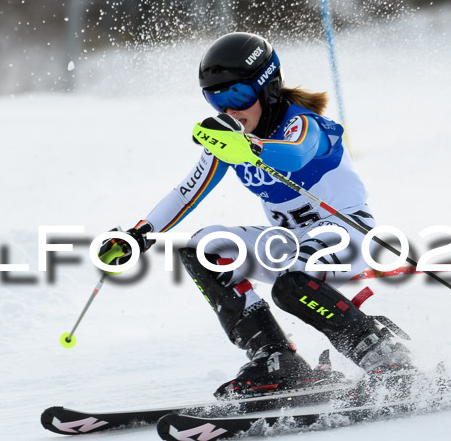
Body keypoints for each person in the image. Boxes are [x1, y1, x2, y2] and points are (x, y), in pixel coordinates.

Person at [99, 32, 413, 398]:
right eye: (216, 99)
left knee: (291, 282)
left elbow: (295, 154)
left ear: (268, 87)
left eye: (238, 96)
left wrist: (247, 145)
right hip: (293, 243)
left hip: (345, 235)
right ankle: (276, 358)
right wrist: (140, 234)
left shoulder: (305, 124)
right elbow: (187, 192)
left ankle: (382, 353)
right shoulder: (229, 139)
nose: (230, 110)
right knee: (203, 247)